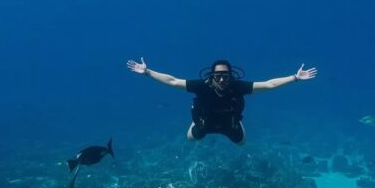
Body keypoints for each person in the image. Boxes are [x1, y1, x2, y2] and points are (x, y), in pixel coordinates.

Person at [126, 57, 317, 144]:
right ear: (212, 76)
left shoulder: (238, 87)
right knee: (191, 139)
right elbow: (172, 81)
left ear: (231, 76)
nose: (222, 79)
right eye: (218, 75)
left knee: (241, 143)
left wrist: (295, 78)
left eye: (226, 75)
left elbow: (269, 85)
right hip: (205, 122)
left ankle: (237, 123)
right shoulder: (202, 86)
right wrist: (147, 72)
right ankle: (195, 122)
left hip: (229, 123)